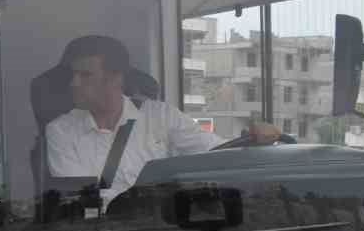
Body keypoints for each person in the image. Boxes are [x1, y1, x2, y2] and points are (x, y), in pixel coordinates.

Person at [45, 34, 280, 203]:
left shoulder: (161, 117)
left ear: (115, 78)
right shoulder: (61, 130)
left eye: (85, 75)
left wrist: (255, 140)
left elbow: (217, 154)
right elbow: (80, 202)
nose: (73, 83)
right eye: (72, 75)